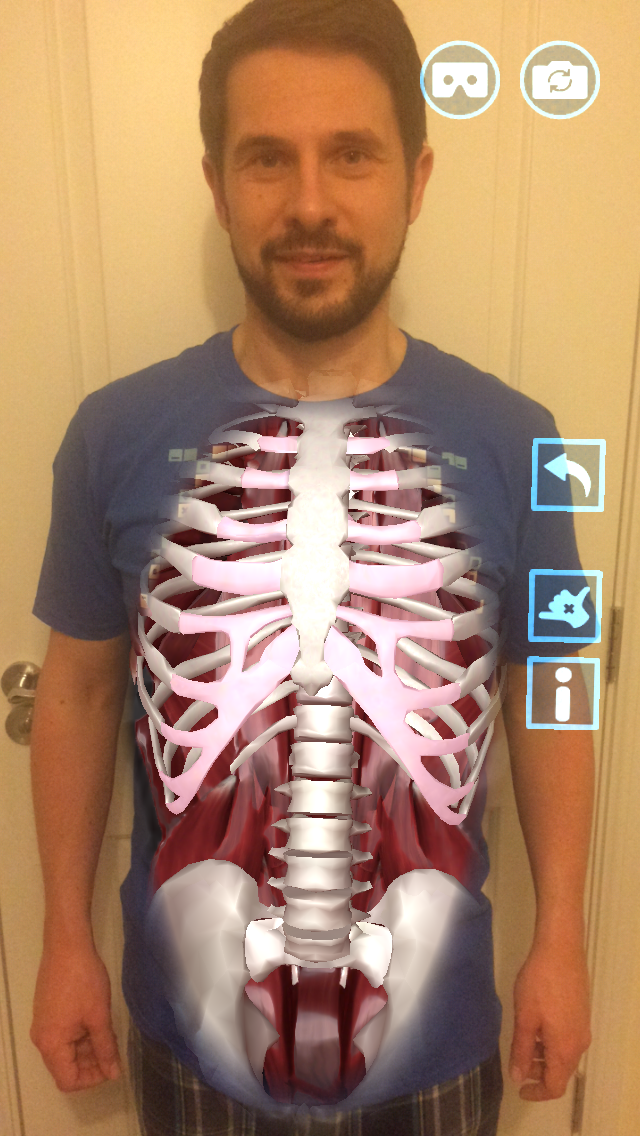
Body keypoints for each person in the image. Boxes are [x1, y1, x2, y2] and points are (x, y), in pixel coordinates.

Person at [29, 1, 593, 1133]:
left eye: (352, 154)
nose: (310, 203)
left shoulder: (525, 441)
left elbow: (553, 690)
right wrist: (64, 941)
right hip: (193, 1040)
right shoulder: (112, 433)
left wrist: (563, 939)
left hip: (434, 1043)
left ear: (415, 179)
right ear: (218, 183)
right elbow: (80, 692)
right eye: (266, 158)